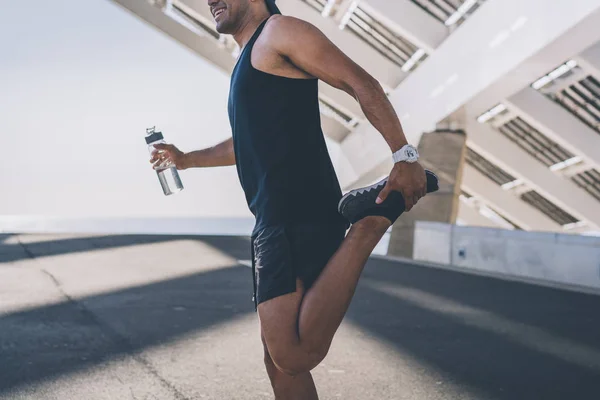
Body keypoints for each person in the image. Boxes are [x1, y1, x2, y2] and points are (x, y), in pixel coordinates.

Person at [150, 0, 438, 398]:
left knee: (292, 354)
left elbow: (360, 82)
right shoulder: (248, 61)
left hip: (298, 209)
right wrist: (186, 159)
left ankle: (370, 222)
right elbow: (247, 143)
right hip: (272, 215)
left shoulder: (279, 31)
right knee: (278, 361)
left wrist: (404, 155)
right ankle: (369, 220)